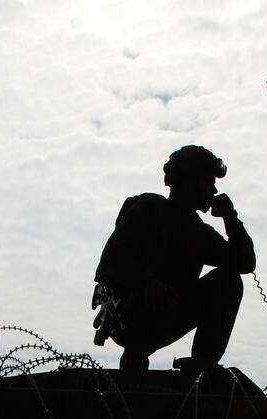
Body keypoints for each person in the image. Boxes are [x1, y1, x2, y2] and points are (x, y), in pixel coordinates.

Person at [92, 145, 256, 374]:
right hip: (128, 312)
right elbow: (110, 265)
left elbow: (244, 262)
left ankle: (203, 364)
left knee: (228, 282)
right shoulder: (148, 208)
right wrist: (145, 282)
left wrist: (230, 217)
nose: (214, 189)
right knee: (150, 299)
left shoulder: (199, 232)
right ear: (189, 181)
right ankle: (134, 361)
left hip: (173, 309)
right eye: (208, 181)